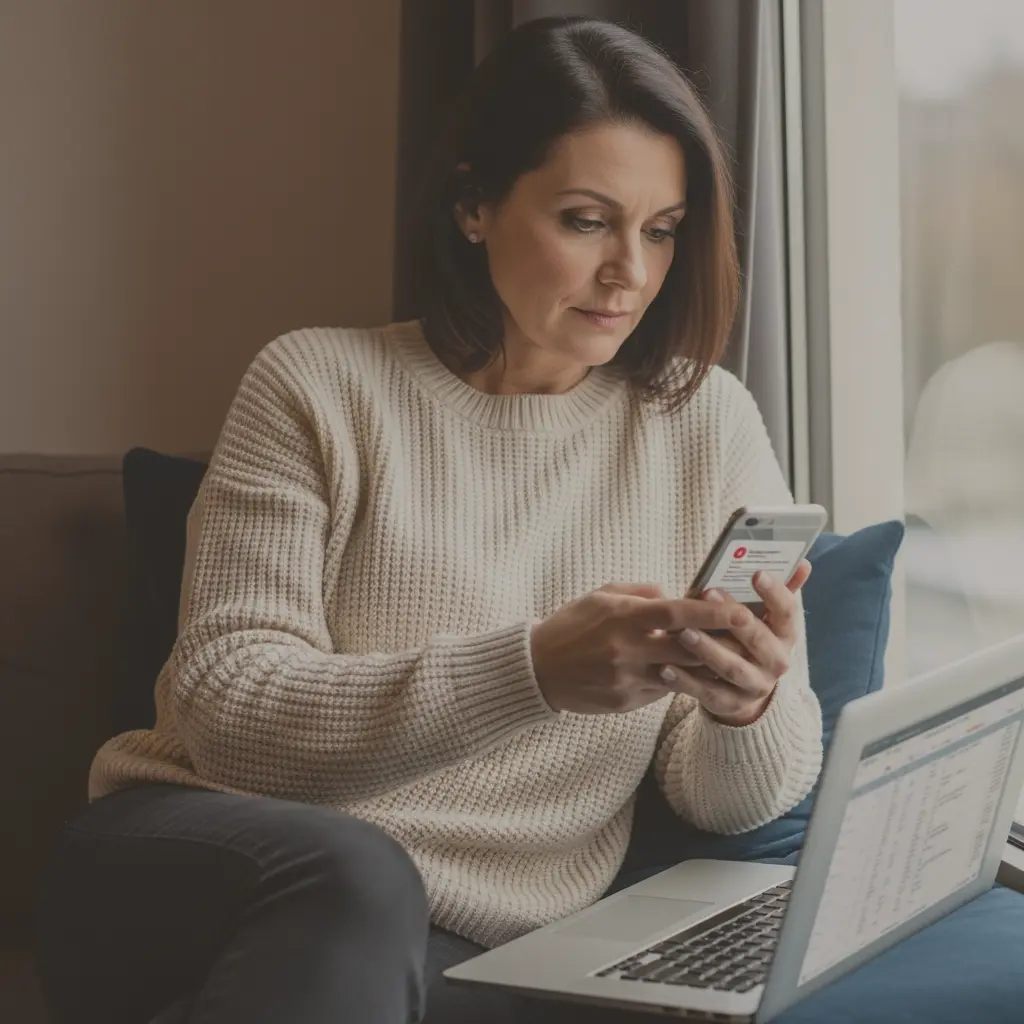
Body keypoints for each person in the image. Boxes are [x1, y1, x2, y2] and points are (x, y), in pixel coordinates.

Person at [34, 17, 825, 1024]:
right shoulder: (316, 383)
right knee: (358, 880)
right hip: (200, 857)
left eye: (661, 228)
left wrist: (747, 705)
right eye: (587, 220)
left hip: (475, 935)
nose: (630, 269)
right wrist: (531, 669)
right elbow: (228, 714)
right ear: (472, 206)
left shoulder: (703, 420)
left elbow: (729, 800)